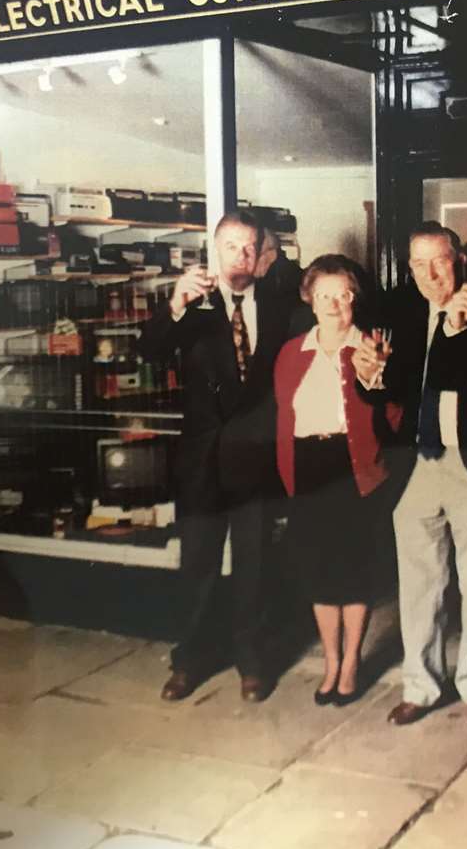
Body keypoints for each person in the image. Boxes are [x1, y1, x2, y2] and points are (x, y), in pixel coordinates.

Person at [143, 210, 295, 703]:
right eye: (231, 247)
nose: (241, 257)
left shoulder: (279, 305)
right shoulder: (195, 305)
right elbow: (149, 352)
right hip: (201, 465)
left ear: (262, 255)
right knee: (199, 565)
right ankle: (190, 660)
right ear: (215, 250)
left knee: (255, 566)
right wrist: (176, 305)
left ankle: (252, 662)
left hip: (255, 460)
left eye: (250, 248)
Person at [379, 223, 467, 733]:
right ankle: (422, 685)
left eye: (440, 261)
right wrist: (372, 377)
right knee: (419, 584)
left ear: (459, 261)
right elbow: (386, 391)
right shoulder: (402, 319)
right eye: (418, 264)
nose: (431, 274)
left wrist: (460, 331)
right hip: (415, 467)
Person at [272, 255, 392, 706]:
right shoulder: (291, 353)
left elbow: (392, 416)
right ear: (310, 299)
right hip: (308, 466)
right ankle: (330, 661)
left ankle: (351, 664)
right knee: (319, 570)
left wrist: (375, 375)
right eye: (324, 295)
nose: (333, 304)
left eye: (342, 295)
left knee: (354, 571)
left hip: (354, 467)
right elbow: (283, 416)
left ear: (354, 300)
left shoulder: (371, 346)